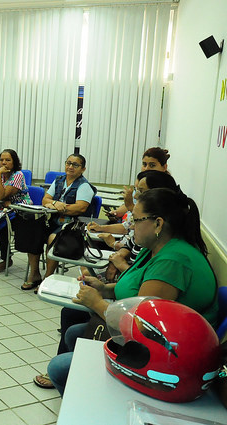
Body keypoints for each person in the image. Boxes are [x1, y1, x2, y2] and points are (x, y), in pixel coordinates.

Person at [46, 188, 218, 396]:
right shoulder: (154, 247)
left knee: (58, 368)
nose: (130, 226)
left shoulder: (172, 261)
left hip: (172, 358)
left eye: (136, 220)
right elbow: (137, 288)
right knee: (74, 333)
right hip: (159, 343)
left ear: (158, 224)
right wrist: (103, 288)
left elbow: (143, 328)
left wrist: (97, 303)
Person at [22, 154, 96, 290]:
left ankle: (47, 278)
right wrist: (56, 203)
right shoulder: (59, 180)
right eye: (68, 163)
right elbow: (45, 200)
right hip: (53, 220)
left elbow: (80, 207)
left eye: (75, 165)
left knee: (53, 237)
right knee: (32, 228)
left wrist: (59, 207)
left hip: (72, 226)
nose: (70, 167)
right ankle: (34, 273)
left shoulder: (84, 186)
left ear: (83, 169)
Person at [0, 149, 32, 272]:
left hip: (20, 210)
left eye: (8, 160)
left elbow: (1, 195)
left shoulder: (18, 175)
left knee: (1, 224)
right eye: (1, 160)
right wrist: (2, 199)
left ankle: (6, 259)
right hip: (5, 208)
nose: (4, 163)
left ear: (14, 163)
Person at [106, 146, 170, 220]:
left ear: (164, 167)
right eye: (144, 164)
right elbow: (132, 204)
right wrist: (116, 213)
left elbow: (147, 218)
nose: (146, 168)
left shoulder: (164, 190)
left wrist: (130, 206)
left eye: (152, 165)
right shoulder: (141, 182)